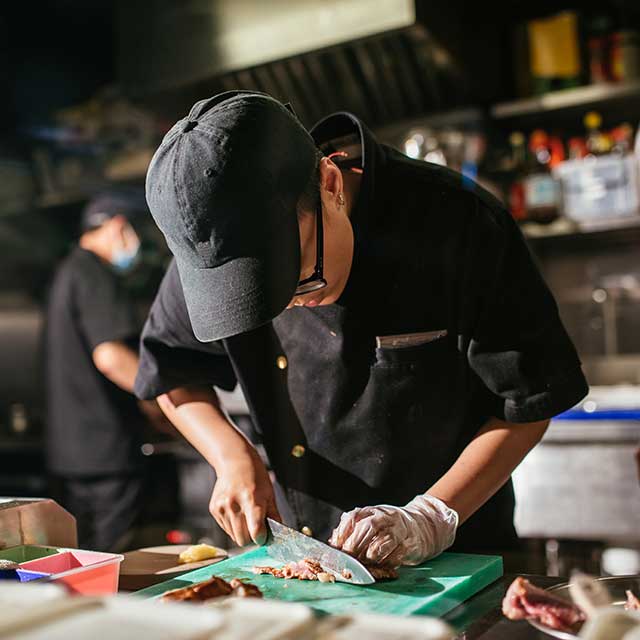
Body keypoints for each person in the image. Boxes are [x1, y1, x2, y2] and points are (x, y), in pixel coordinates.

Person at [134, 91, 588, 567]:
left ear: (329, 183)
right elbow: (171, 369)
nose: (290, 306)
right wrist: (230, 455)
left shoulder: (460, 226)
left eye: (298, 278)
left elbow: (529, 402)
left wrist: (429, 518)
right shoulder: (211, 240)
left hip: (458, 557)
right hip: (307, 555)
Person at [46, 190, 146, 552]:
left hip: (71, 455)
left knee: (79, 560)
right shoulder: (95, 274)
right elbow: (111, 356)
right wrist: (160, 398)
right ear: (119, 226)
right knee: (108, 560)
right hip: (106, 453)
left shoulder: (67, 272)